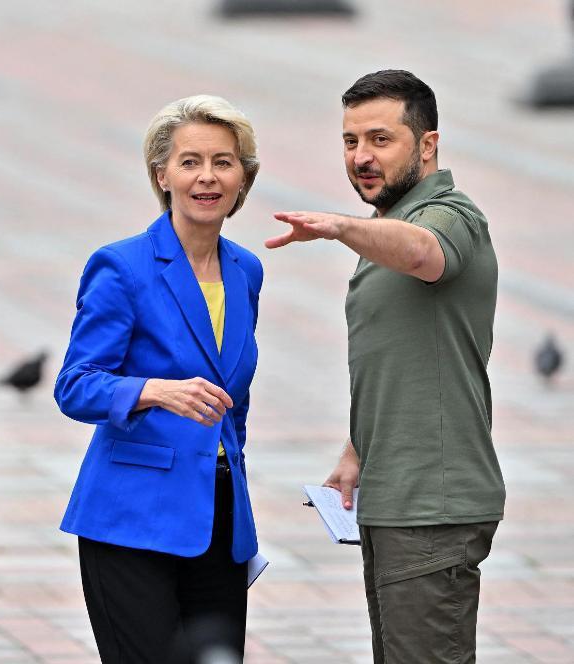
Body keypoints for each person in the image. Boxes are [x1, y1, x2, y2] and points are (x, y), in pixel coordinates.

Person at [266, 69, 502, 663]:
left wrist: (339, 228)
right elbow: (406, 357)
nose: (361, 157)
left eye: (379, 139)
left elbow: (425, 255)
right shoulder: (390, 227)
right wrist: (358, 450)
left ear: (427, 145)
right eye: (350, 142)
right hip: (398, 499)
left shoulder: (449, 216)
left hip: (433, 505)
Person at [54, 95, 263, 663]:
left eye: (224, 161)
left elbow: (232, 399)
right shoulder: (122, 266)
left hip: (219, 519)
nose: (207, 176)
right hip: (131, 520)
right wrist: (153, 390)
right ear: (161, 174)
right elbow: (75, 385)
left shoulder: (246, 270)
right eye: (190, 161)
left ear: (244, 177)